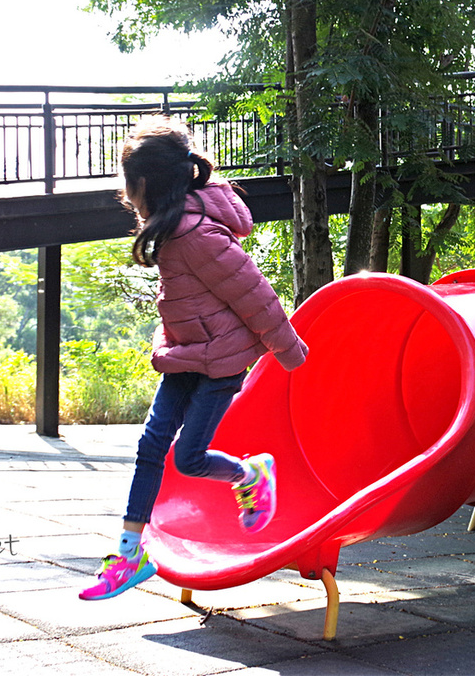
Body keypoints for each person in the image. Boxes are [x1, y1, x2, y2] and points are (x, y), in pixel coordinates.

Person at [80, 116, 309, 601]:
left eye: (127, 183)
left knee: (188, 457)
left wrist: (288, 350)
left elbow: (254, 294)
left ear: (143, 185)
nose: (124, 193)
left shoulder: (197, 235)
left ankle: (251, 473)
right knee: (150, 444)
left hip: (220, 362)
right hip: (187, 354)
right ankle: (129, 553)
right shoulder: (170, 227)